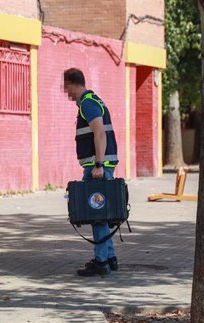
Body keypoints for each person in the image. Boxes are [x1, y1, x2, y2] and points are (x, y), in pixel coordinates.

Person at [63, 68, 119, 276]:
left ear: (72, 83)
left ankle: (101, 261)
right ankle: (110, 258)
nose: (66, 92)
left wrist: (98, 165)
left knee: (96, 214)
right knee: (102, 213)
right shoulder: (94, 101)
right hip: (101, 167)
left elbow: (99, 133)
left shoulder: (88, 103)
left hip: (96, 169)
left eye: (66, 87)